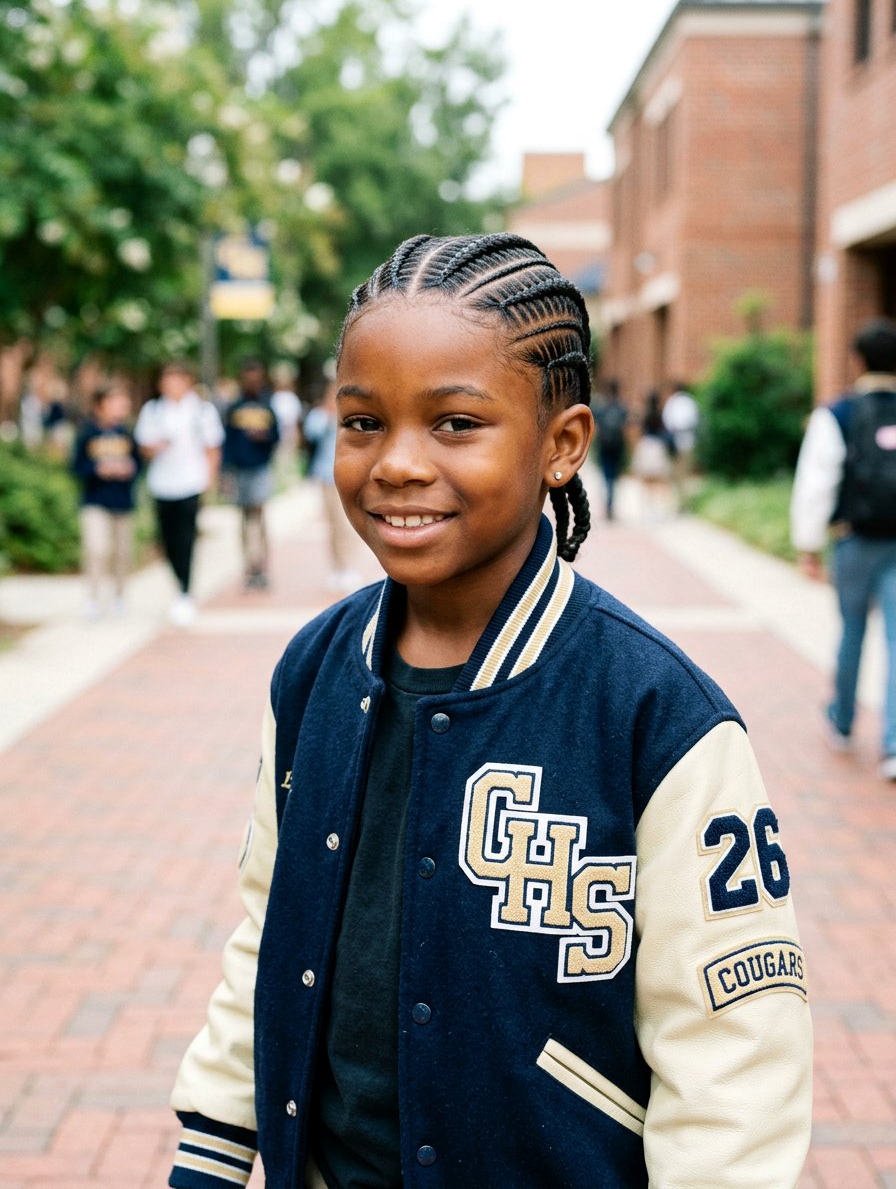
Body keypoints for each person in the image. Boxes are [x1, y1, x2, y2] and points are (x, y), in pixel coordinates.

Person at [168, 233, 812, 1189]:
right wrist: (212, 1153)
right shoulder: (312, 673)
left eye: (456, 424)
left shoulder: (656, 714)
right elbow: (270, 931)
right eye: (362, 423)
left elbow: (738, 1066)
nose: (396, 464)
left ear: (562, 445)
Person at [791, 317, 896, 782]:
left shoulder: (838, 414)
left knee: (852, 631)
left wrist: (808, 545)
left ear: (858, 360)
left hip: (854, 541)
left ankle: (843, 720)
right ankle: (892, 744)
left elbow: (817, 483)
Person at [135, 360, 224, 627]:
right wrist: (157, 446)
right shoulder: (153, 411)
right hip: (162, 485)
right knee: (167, 540)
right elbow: (143, 447)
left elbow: (212, 447)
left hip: (190, 484)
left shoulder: (201, 411)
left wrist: (209, 479)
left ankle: (185, 592)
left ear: (187, 382)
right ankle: (179, 585)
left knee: (186, 539)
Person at [70, 385, 140, 619]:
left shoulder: (127, 433)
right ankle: (92, 600)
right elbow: (76, 466)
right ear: (101, 406)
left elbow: (139, 463)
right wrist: (98, 469)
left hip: (122, 502)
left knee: (122, 553)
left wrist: (129, 469)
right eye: (114, 402)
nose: (120, 408)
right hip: (95, 501)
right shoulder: (87, 433)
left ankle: (119, 597)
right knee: (96, 549)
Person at [302, 370, 364, 594]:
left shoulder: (350, 414)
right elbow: (311, 433)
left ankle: (349, 567)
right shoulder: (320, 415)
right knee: (332, 525)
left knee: (346, 524)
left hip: (346, 476)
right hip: (325, 476)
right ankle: (337, 567)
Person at [223, 357, 280, 590]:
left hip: (260, 468)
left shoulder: (267, 407)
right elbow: (227, 441)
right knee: (245, 519)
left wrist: (264, 437)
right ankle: (249, 566)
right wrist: (225, 473)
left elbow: (276, 437)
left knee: (258, 515)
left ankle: (261, 566)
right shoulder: (234, 408)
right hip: (239, 470)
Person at [630, 390, 674, 520]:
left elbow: (639, 430)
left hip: (646, 445)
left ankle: (647, 507)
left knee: (646, 480)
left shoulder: (645, 414)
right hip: (658, 447)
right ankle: (658, 508)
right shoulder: (660, 415)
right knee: (659, 480)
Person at [592, 378, 628, 520]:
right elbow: (626, 430)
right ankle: (610, 504)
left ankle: (608, 503)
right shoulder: (621, 408)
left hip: (604, 446)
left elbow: (596, 427)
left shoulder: (602, 408)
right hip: (617, 447)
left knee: (605, 476)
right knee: (613, 477)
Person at [662, 382, 700, 510]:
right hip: (688, 441)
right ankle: (684, 503)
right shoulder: (690, 401)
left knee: (675, 475)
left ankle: (680, 503)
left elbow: (667, 422)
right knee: (685, 474)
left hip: (675, 442)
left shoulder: (672, 402)